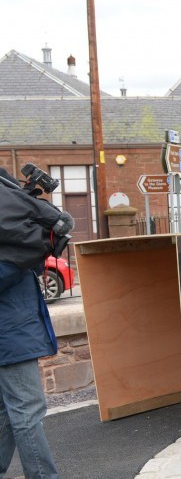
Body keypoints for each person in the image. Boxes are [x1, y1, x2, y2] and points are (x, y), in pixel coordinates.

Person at [0, 172, 60, 477]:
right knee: (27, 412)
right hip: (10, 336)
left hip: (15, 329)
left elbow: (30, 268)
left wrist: (41, 246)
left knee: (7, 416)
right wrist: (23, 257)